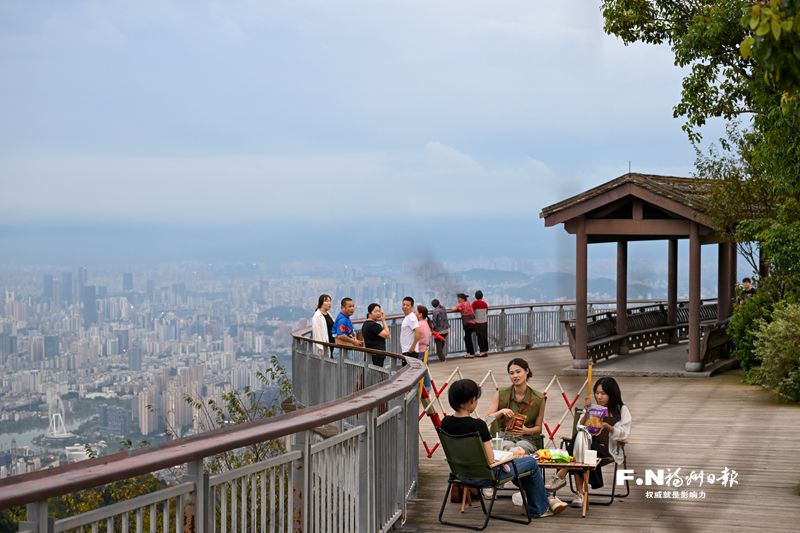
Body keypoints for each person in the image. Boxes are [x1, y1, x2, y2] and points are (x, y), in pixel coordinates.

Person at [440, 379, 567, 518]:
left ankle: (542, 499)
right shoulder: (478, 426)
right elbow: (490, 460)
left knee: (522, 468)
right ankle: (541, 507)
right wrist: (508, 458)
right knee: (530, 462)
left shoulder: (445, 423)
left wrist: (499, 413)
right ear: (472, 400)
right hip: (484, 477)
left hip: (460, 474)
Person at [545, 376, 631, 509]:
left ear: (612, 394)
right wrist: (586, 412)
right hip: (588, 447)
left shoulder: (621, 410)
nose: (599, 396)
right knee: (581, 443)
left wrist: (609, 427)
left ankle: (562, 476)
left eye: (603, 393)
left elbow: (625, 433)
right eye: (597, 393)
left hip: (607, 449)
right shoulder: (593, 407)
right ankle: (579, 494)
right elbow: (580, 426)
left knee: (579, 449)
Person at [484, 358, 545, 454]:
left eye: (518, 372)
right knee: (508, 446)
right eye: (511, 373)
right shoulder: (500, 394)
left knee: (520, 448)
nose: (515, 376)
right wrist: (501, 411)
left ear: (527, 371)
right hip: (505, 437)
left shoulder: (539, 398)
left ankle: (512, 467)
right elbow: (487, 420)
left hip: (528, 439)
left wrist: (526, 430)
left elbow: (538, 428)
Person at [452, 293, 477, 358]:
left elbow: (453, 309)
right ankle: (470, 353)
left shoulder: (462, 304)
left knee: (467, 338)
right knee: (467, 338)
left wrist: (458, 307)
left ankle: (471, 353)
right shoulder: (468, 303)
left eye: (459, 298)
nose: (458, 300)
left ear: (462, 299)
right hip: (473, 323)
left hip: (467, 323)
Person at [400, 296, 421, 365]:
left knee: (409, 374)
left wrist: (413, 346)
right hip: (407, 351)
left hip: (410, 352)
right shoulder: (408, 317)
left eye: (407, 305)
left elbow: (418, 331)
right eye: (403, 305)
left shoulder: (411, 317)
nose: (405, 307)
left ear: (412, 307)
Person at [416, 304, 433, 389]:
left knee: (422, 369)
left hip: (420, 349)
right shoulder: (425, 323)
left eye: (416, 312)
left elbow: (418, 338)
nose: (415, 313)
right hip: (425, 349)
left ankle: (426, 387)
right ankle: (427, 386)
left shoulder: (419, 324)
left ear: (420, 314)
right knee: (425, 368)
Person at [472, 290, 490, 357]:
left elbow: (471, 311)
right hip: (484, 322)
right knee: (484, 336)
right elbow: (486, 312)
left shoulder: (475, 303)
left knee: (480, 337)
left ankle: (482, 352)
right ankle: (485, 351)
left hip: (478, 323)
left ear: (475, 296)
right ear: (482, 296)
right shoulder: (485, 303)